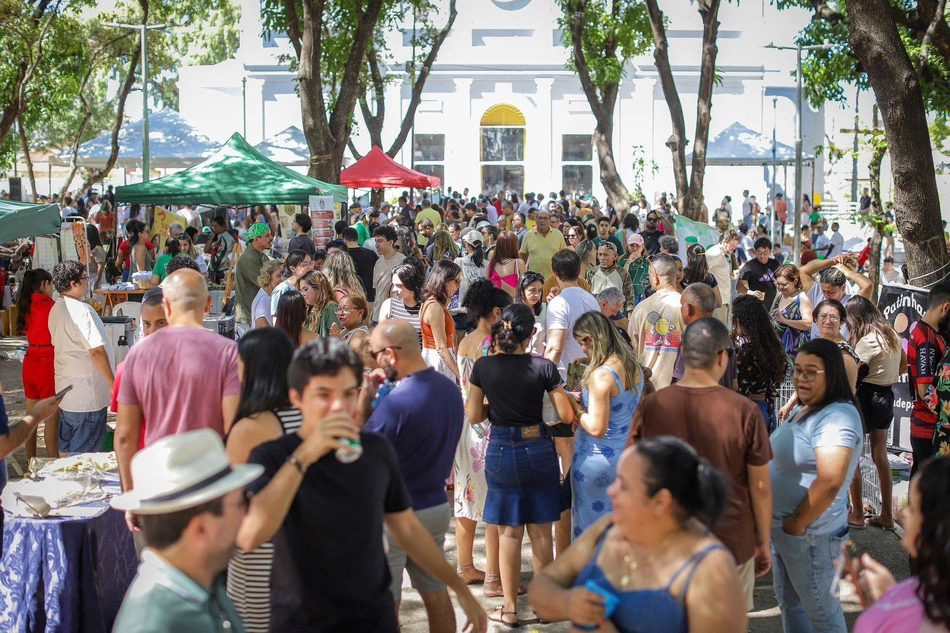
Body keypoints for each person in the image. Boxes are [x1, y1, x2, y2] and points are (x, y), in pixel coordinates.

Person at [236, 338, 487, 633]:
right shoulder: (273, 456)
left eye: (347, 393)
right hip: (301, 621)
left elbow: (407, 528)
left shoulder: (375, 451)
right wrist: (304, 456)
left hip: (372, 619)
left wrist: (460, 589)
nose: (337, 406)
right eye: (323, 394)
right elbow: (250, 536)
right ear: (296, 398)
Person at [528, 438, 747, 632]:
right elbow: (541, 588)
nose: (611, 491)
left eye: (623, 485)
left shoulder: (710, 568)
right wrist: (568, 603)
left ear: (661, 501)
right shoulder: (608, 529)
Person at [629, 318, 773, 610]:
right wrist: (763, 539)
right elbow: (760, 487)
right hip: (730, 540)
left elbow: (632, 476)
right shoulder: (745, 411)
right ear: (723, 358)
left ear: (682, 353)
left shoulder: (651, 406)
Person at [467, 303, 574, 627]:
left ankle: (510, 608)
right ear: (530, 335)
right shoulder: (544, 368)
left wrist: (497, 410)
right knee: (541, 532)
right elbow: (565, 415)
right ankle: (545, 606)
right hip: (538, 448)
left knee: (509, 532)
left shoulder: (484, 367)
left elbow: (474, 414)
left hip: (500, 448)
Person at [362, 321, 465, 632]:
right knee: (436, 593)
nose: (374, 361)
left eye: (375, 354)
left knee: (385, 604)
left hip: (394, 516)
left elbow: (359, 454)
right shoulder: (449, 390)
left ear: (390, 355)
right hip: (435, 507)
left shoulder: (395, 404)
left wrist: (365, 400)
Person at [111, 430, 263, 632]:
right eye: (242, 502)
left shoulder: (204, 582)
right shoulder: (155, 624)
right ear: (201, 529)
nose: (246, 514)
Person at [116, 270, 241, 501]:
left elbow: (125, 436)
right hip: (209, 486)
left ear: (166, 306)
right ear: (208, 304)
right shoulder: (228, 352)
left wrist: (130, 496)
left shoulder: (138, 354)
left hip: (155, 486)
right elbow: (236, 429)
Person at [769, 338, 863, 633]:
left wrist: (796, 523)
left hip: (811, 537)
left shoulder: (838, 415)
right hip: (792, 535)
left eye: (810, 372)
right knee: (793, 607)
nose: (800, 378)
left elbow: (831, 480)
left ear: (832, 374)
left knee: (823, 616)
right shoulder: (809, 407)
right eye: (797, 370)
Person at [219, 328, 298, 632]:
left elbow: (232, 499)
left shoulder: (249, 429)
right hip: (301, 546)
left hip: (259, 551)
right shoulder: (305, 416)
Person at [453, 280, 510, 594]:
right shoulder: (493, 344)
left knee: (467, 498)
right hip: (488, 427)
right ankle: (493, 577)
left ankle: (465, 567)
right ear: (497, 312)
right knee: (494, 505)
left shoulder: (466, 341)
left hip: (466, 426)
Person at [852, 456, 950, 632]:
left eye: (912, 508)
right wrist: (888, 594)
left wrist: (888, 605)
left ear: (936, 528)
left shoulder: (880, 620)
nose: (904, 512)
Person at [568, 312, 644, 538]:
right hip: (627, 457)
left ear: (591, 339)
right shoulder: (632, 365)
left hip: (596, 461)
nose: (583, 350)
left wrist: (575, 405)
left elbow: (596, 428)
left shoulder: (601, 376)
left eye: (582, 343)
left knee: (591, 536)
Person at [845, 296, 903, 530]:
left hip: (867, 397)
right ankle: (887, 515)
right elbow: (903, 365)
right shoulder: (892, 335)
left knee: (852, 455)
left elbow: (854, 370)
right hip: (887, 395)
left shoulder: (868, 340)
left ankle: (857, 514)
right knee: (881, 454)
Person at [48, 261, 114, 455]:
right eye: (85, 278)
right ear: (73, 283)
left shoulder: (56, 308)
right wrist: (113, 383)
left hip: (68, 393)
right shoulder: (81, 310)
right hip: (87, 397)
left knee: (67, 453)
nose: (87, 282)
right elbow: (96, 350)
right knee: (83, 460)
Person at [907, 281, 950, 474]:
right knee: (928, 484)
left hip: (923, 425)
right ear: (946, 308)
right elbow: (924, 390)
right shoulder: (927, 340)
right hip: (929, 429)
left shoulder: (923, 331)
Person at [16, 268, 59, 459]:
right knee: (51, 419)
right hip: (47, 362)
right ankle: (53, 462)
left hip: (30, 360)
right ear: (45, 284)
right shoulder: (51, 306)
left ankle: (31, 462)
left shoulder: (25, 303)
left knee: (31, 417)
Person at [732, 295, 788, 433]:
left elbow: (740, 389)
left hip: (749, 411)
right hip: (768, 409)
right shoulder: (775, 348)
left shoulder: (746, 353)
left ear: (741, 321)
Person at [629, 254, 684, 389]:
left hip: (647, 387)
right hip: (679, 387)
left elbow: (631, 348)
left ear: (655, 277)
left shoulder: (641, 308)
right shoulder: (686, 306)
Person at [671, 283, 735, 388]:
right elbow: (734, 385)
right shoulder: (726, 340)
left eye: (682, 305)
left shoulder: (691, 339)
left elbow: (682, 382)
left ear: (688, 309)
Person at [800, 254, 874, 338]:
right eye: (824, 291)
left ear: (843, 287)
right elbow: (803, 271)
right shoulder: (818, 295)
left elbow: (868, 286)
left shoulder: (852, 303)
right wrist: (833, 261)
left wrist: (846, 271)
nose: (826, 295)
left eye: (831, 292)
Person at [234, 224, 273, 334]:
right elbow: (266, 283)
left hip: (255, 315)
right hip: (247, 318)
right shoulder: (249, 258)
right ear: (256, 239)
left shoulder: (261, 255)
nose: (271, 238)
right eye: (267, 235)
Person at [770, 263, 813, 359]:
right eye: (778, 284)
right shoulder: (779, 296)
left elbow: (809, 324)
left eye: (784, 284)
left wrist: (785, 321)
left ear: (795, 281)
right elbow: (771, 317)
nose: (780, 287)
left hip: (794, 352)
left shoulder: (802, 297)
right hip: (776, 350)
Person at [378, 262, 425, 343]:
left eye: (399, 286)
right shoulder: (389, 305)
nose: (394, 290)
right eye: (393, 285)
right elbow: (380, 336)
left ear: (411, 284)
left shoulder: (425, 308)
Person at [371, 226, 407, 324]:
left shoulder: (402, 261)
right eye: (376, 241)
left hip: (394, 316)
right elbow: (377, 291)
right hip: (377, 316)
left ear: (390, 242)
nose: (377, 245)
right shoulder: (378, 263)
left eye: (380, 241)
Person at [586, 242, 635, 314]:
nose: (602, 258)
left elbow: (629, 297)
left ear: (615, 256)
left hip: (617, 314)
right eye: (600, 254)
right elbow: (587, 295)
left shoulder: (623, 274)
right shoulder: (591, 273)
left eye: (606, 255)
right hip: (597, 314)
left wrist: (629, 315)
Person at [520, 208, 567, 280]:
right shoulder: (528, 235)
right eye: (540, 218)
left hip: (554, 279)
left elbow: (564, 254)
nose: (542, 220)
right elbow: (523, 254)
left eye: (545, 218)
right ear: (536, 220)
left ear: (549, 221)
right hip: (534, 279)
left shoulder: (558, 234)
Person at [706, 230, 741, 324]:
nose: (733, 248)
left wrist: (729, 276)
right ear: (724, 241)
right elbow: (703, 270)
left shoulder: (724, 253)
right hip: (717, 300)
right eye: (732, 245)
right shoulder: (715, 253)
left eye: (735, 246)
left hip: (725, 299)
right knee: (718, 329)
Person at [737, 237, 780, 309]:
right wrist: (751, 292)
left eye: (765, 252)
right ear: (755, 252)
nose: (762, 256)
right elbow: (739, 286)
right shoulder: (749, 266)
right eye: (759, 252)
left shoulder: (775, 264)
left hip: (773, 305)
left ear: (770, 252)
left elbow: (782, 279)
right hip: (755, 306)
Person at [297, 270, 341, 337]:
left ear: (318, 288)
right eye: (301, 291)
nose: (303, 294)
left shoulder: (331, 307)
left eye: (305, 289)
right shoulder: (311, 309)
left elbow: (334, 338)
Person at [342, 226, 378, 303]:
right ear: (357, 238)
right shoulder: (371, 254)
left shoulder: (343, 256)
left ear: (345, 240)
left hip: (351, 296)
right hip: (370, 295)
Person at [517, 271, 547, 356]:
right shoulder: (513, 311)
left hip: (540, 359)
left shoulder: (546, 309)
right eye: (532, 290)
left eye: (539, 291)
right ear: (522, 290)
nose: (537, 295)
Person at [487, 231, 523, 298]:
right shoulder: (518, 263)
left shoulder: (491, 264)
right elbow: (524, 287)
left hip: (494, 302)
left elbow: (487, 287)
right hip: (512, 302)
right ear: (513, 246)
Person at [251, 260, 284, 328]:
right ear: (268, 277)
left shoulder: (269, 294)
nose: (282, 279)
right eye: (278, 276)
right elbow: (261, 327)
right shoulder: (264, 299)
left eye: (284, 275)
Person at [619, 232, 649, 306]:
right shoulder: (622, 261)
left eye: (637, 245)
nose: (635, 248)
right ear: (628, 246)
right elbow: (621, 277)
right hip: (628, 296)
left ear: (642, 247)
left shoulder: (647, 261)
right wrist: (629, 261)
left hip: (644, 295)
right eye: (632, 245)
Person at [204, 216, 236, 283]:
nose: (213, 228)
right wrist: (211, 238)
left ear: (223, 226)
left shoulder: (231, 236)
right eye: (212, 226)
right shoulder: (212, 236)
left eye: (215, 226)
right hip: (212, 269)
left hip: (224, 269)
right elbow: (206, 250)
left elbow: (237, 249)